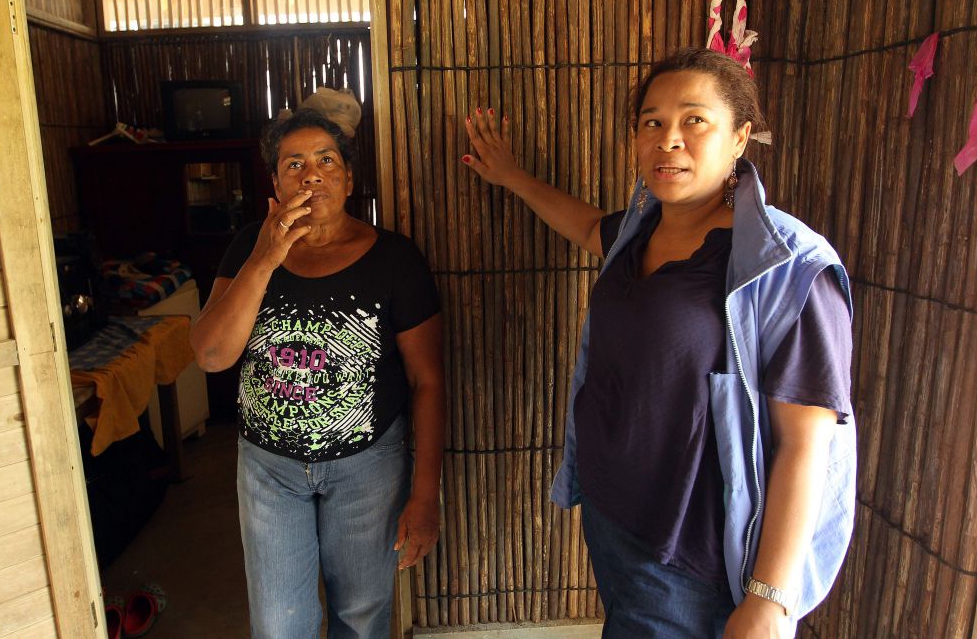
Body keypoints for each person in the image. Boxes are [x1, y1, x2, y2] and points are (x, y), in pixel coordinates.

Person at [461, 48, 855, 638]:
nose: (669, 139)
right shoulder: (640, 228)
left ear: (740, 138)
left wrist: (770, 600)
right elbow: (588, 225)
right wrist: (512, 177)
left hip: (690, 557)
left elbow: (807, 445)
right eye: (652, 122)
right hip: (612, 515)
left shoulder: (786, 267)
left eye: (694, 120)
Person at [190, 106, 445, 639]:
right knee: (280, 624)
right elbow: (212, 356)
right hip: (269, 471)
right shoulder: (248, 249)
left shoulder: (394, 259)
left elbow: (427, 381)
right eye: (293, 164)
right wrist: (266, 256)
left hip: (367, 470)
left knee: (361, 613)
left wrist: (424, 497)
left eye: (326, 160)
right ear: (276, 183)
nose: (311, 174)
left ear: (348, 178)